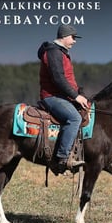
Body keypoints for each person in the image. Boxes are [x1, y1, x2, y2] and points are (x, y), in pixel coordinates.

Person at [37, 24, 89, 174]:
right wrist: (76, 96)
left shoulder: (61, 52)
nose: (74, 41)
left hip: (63, 96)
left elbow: (67, 79)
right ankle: (62, 158)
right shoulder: (53, 52)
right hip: (51, 97)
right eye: (73, 37)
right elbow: (58, 79)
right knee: (74, 119)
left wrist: (80, 93)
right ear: (65, 36)